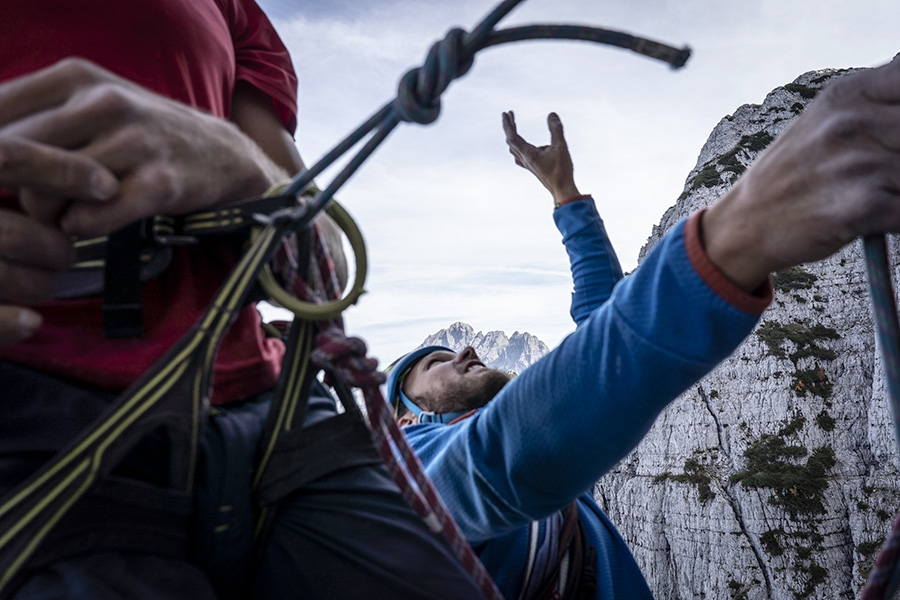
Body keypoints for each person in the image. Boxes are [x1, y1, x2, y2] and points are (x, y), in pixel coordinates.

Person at [0, 2, 482, 599]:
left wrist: (243, 169)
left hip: (269, 421)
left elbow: (322, 265)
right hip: (36, 424)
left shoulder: (230, 12)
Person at [386, 56, 900, 600]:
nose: (463, 350)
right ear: (402, 415)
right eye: (433, 362)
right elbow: (509, 450)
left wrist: (567, 197)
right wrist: (747, 227)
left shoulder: (525, 479)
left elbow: (600, 328)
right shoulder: (404, 466)